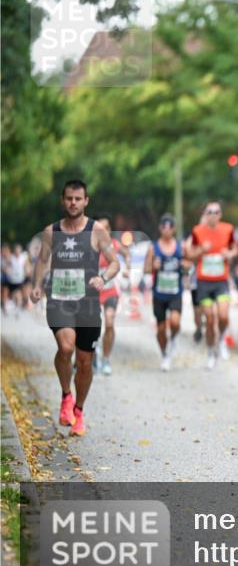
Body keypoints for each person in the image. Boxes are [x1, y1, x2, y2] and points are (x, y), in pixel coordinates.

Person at [30, 180, 120, 436]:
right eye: (69, 198)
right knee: (65, 347)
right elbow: (42, 260)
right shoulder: (52, 231)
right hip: (59, 300)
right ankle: (66, 396)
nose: (73, 203)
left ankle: (78, 411)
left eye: (78, 199)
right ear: (63, 200)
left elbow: (115, 263)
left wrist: (103, 278)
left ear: (86, 201)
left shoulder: (97, 230)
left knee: (85, 362)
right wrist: (37, 285)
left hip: (88, 304)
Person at [186, 201, 238, 369]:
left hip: (221, 280)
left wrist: (228, 254)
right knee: (209, 319)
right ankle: (210, 351)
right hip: (204, 281)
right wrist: (201, 250)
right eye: (210, 212)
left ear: (220, 215)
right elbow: (191, 255)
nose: (213, 215)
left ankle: (221, 338)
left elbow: (235, 249)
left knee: (223, 316)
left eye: (216, 212)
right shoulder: (197, 231)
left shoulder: (228, 229)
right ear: (205, 214)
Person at [145, 214, 185, 371]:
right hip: (159, 293)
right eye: (164, 226)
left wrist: (185, 265)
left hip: (175, 292)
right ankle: (164, 354)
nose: (167, 229)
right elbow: (146, 269)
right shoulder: (152, 248)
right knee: (161, 329)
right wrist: (153, 266)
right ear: (160, 228)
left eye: (170, 227)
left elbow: (188, 263)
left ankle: (174, 339)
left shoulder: (181, 247)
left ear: (174, 229)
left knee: (175, 322)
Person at [94, 216, 130, 375]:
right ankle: (92, 355)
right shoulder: (90, 246)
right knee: (91, 328)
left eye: (107, 228)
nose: (104, 231)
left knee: (109, 322)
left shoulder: (114, 244)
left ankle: (106, 359)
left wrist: (128, 267)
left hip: (110, 291)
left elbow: (127, 254)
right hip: (92, 294)